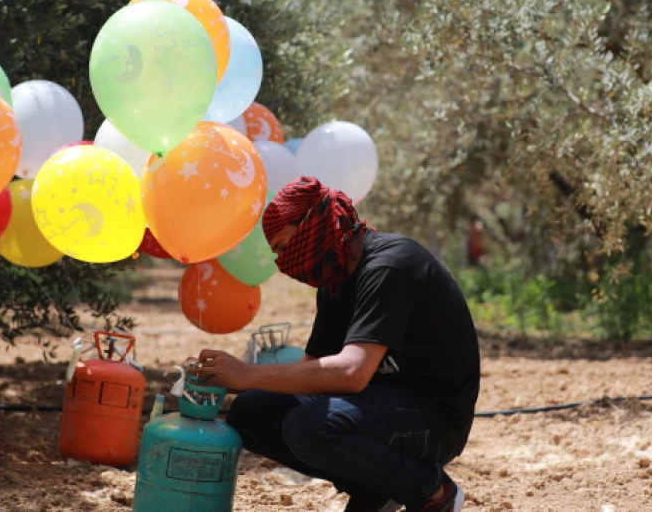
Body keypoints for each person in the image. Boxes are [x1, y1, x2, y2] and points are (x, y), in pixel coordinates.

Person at [197, 177, 480, 512]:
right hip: (381, 410)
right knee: (253, 412)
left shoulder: (391, 265)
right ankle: (378, 485)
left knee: (309, 426)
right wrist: (220, 387)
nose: (285, 263)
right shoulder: (334, 281)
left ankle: (431, 491)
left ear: (313, 224)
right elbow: (310, 373)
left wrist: (247, 374)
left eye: (286, 247)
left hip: (434, 422)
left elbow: (351, 373)